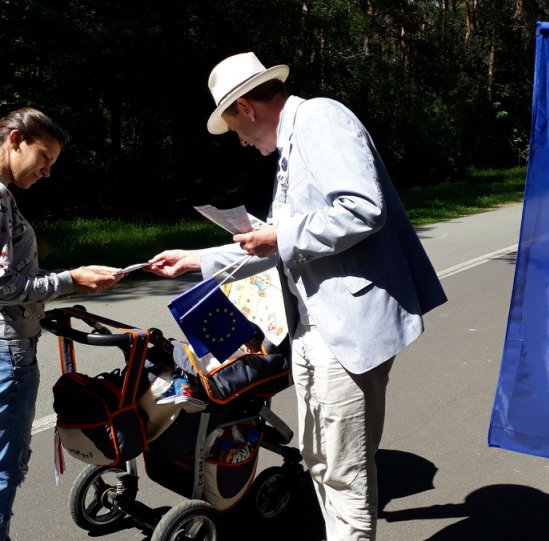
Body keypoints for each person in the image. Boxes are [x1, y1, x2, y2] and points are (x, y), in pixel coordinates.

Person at [145, 52, 447, 541]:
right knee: (319, 461)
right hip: (309, 328)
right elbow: (277, 241)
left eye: (233, 128)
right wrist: (197, 257)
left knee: (345, 468)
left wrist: (279, 238)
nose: (239, 141)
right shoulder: (290, 147)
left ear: (246, 107)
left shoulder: (320, 117)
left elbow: (362, 209)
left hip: (345, 327)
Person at [0, 107, 124, 541]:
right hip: (0, 351)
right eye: (44, 157)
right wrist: (72, 279)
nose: (47, 171)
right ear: (15, 140)